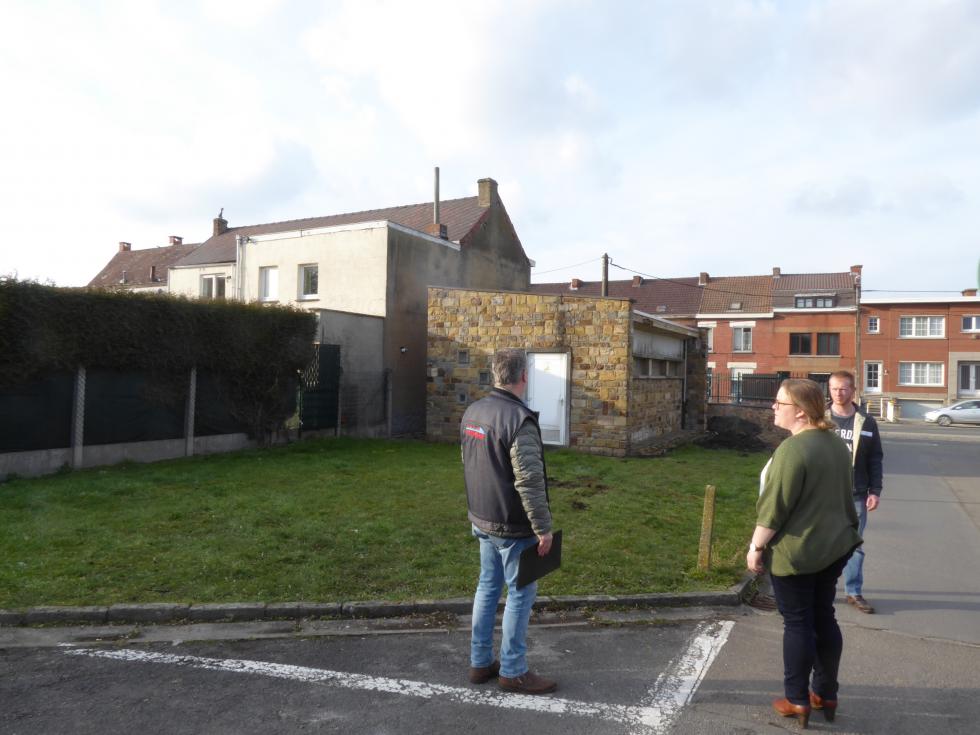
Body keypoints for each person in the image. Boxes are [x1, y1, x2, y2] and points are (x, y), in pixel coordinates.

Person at [747, 379, 862, 727]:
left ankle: (796, 699)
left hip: (798, 553)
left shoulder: (793, 449)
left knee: (798, 623)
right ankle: (825, 693)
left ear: (799, 411)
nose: (773, 407)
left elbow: (774, 510)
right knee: (824, 616)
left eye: (779, 403)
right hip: (834, 547)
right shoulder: (836, 444)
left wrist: (756, 547)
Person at [460, 348, 557, 695]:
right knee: (520, 593)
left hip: (482, 518)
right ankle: (513, 671)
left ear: (495, 374)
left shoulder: (473, 411)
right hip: (512, 526)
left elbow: (468, 461)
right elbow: (529, 481)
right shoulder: (519, 420)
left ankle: (480, 662)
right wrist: (542, 528)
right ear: (524, 376)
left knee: (487, 586)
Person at [826, 370, 884, 614]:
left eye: (843, 389)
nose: (838, 393)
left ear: (852, 390)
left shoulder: (866, 421)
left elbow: (875, 458)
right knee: (823, 544)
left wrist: (875, 490)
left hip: (856, 494)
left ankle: (853, 592)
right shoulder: (819, 418)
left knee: (854, 546)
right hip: (824, 494)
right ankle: (823, 591)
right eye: (834, 388)